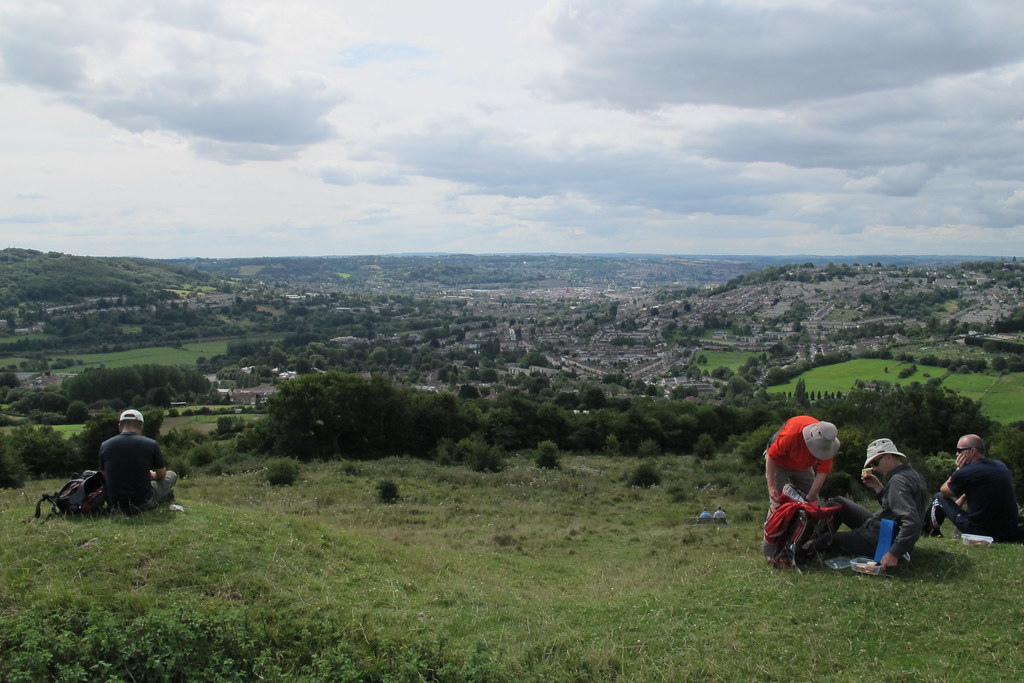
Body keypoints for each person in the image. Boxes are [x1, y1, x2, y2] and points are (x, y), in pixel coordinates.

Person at [813, 438, 927, 570]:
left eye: (875, 462)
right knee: (839, 502)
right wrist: (878, 487)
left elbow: (911, 521)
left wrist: (894, 553)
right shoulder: (911, 474)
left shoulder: (897, 482)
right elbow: (893, 508)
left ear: (889, 456)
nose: (874, 468)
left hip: (883, 538)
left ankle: (807, 547)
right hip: (885, 527)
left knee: (827, 539)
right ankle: (816, 538)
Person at [927, 434, 1020, 542]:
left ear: (972, 451)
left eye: (960, 450)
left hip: (979, 531)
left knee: (938, 498)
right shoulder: (1000, 466)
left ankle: (929, 531)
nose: (957, 453)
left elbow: (944, 491)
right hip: (1008, 531)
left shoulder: (967, 471)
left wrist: (958, 469)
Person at [99, 409, 177, 514]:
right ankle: (163, 496)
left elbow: (105, 475)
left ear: (120, 427)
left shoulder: (105, 445)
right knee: (171, 474)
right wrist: (152, 475)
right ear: (141, 426)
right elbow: (162, 475)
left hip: (115, 505)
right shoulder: (151, 444)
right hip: (143, 503)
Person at [765, 416, 840, 510]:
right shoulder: (792, 434)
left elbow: (822, 473)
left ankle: (808, 524)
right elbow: (771, 456)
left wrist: (809, 499)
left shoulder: (828, 444)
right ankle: (771, 523)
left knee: (814, 505)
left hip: (803, 466)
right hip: (779, 463)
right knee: (778, 503)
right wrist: (771, 487)